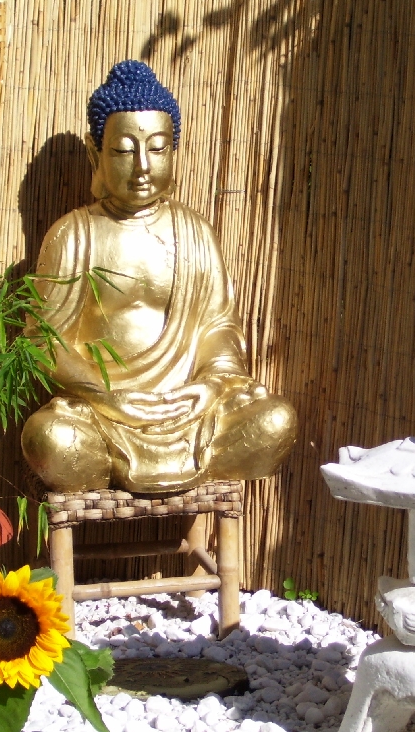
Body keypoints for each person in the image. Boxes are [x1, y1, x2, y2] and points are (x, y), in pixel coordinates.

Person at [21, 61, 296, 494]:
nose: (142, 166)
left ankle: (195, 448)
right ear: (96, 154)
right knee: (49, 438)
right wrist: (105, 396)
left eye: (157, 148)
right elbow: (42, 343)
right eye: (123, 150)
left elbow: (218, 326)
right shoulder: (73, 236)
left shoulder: (195, 233)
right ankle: (111, 452)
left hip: (190, 411)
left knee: (276, 420)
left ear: (173, 152)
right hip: (103, 417)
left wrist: (212, 384)